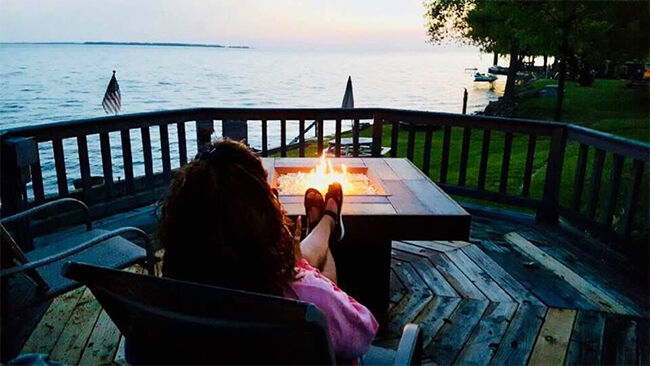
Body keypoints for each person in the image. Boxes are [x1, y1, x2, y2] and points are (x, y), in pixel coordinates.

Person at [157, 139, 378, 360]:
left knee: (304, 261)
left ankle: (322, 224)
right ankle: (328, 223)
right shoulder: (304, 299)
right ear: (258, 223)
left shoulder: (158, 305)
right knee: (314, 273)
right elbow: (360, 334)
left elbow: (136, 353)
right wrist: (302, 270)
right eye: (268, 192)